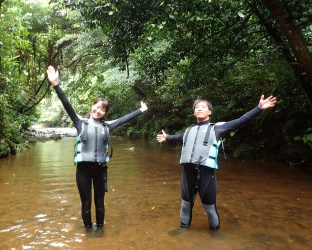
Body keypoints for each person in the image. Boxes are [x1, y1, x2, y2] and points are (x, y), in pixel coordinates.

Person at [47, 65, 148, 229]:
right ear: (92, 106)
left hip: (100, 169)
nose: (98, 110)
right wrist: (56, 84)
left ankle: (100, 229)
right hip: (83, 170)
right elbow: (67, 105)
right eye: (97, 106)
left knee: (99, 201)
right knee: (86, 201)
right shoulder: (80, 123)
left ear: (105, 113)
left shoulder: (107, 126)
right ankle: (88, 230)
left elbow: (124, 119)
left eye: (103, 109)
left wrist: (141, 110)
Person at [156, 95, 276, 231]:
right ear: (194, 112)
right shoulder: (189, 130)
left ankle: (215, 235)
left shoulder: (217, 128)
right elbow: (177, 137)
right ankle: (183, 229)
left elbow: (240, 121)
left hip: (206, 175)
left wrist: (259, 108)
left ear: (210, 112)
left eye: (203, 107)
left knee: (209, 208)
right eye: (196, 107)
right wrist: (167, 137)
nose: (199, 109)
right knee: (185, 204)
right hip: (188, 174)